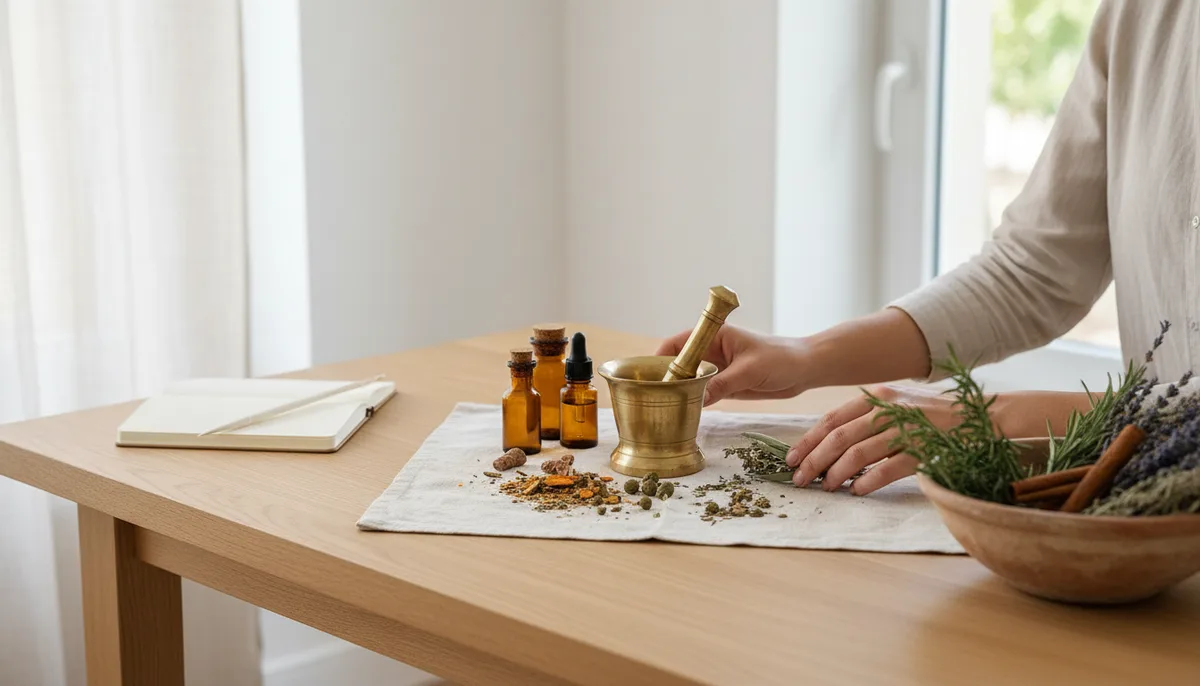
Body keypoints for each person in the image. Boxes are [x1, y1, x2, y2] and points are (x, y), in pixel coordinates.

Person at [656, 0, 1198, 496]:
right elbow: (1032, 273)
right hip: (1160, 513)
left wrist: (991, 419)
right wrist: (808, 357)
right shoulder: (1142, 14)